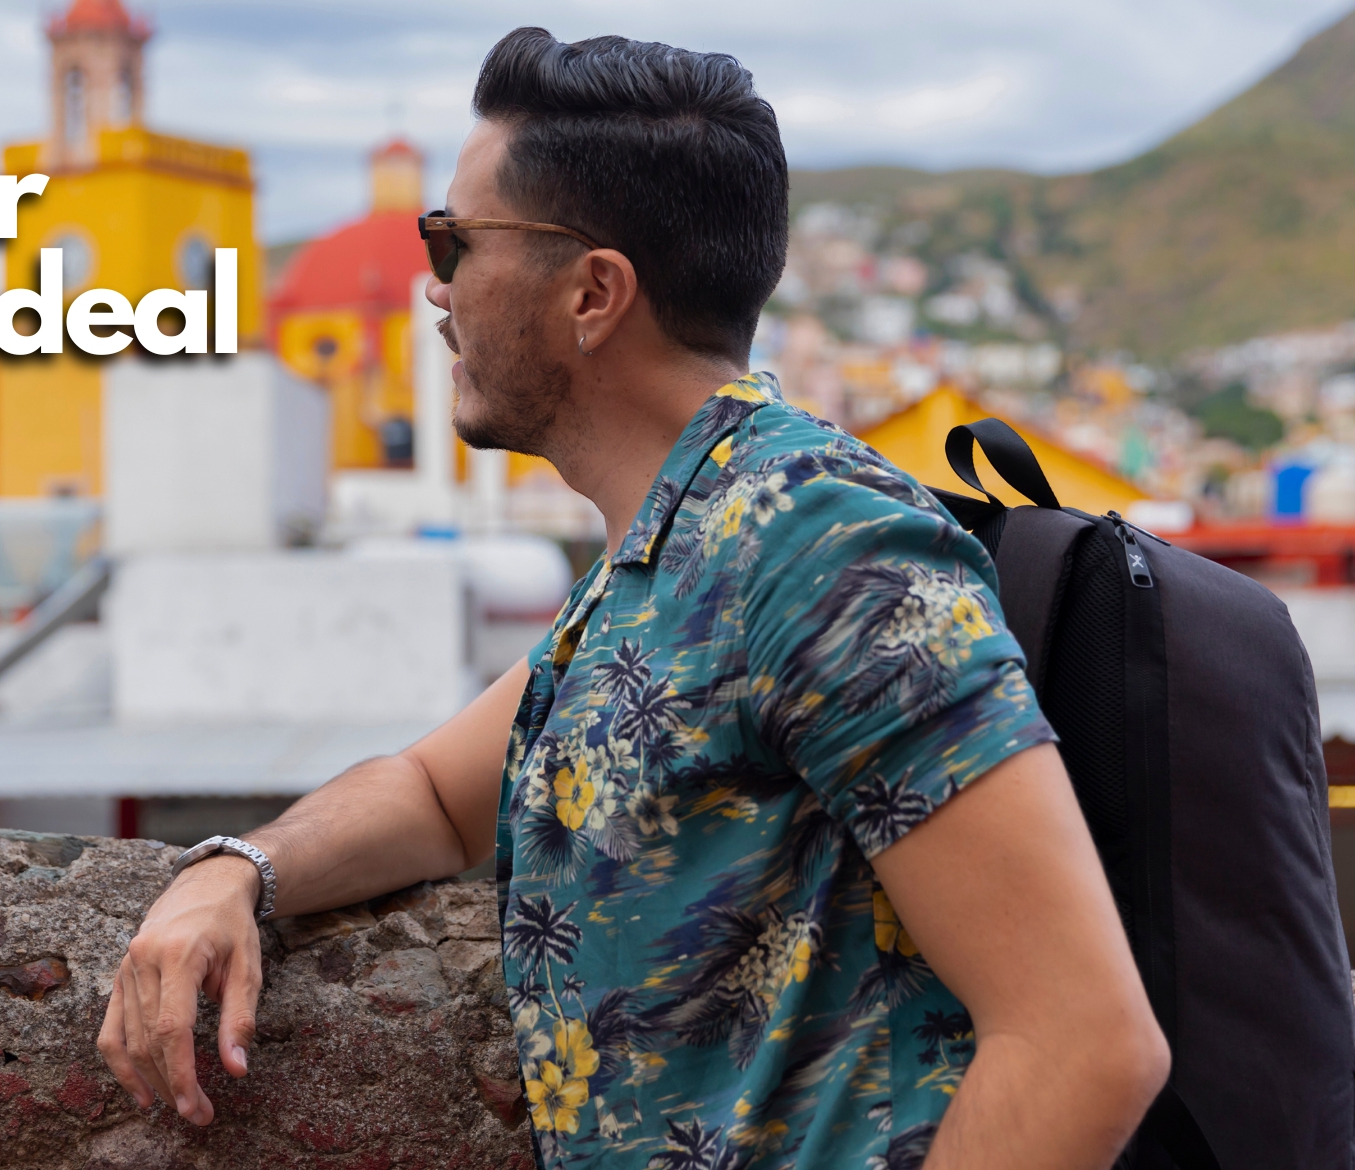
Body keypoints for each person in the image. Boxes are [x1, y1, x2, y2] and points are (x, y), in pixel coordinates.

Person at [98, 27, 1170, 1170]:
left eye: (455, 241)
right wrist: (233, 871)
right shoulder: (665, 551)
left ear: (593, 293)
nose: (435, 287)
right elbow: (430, 793)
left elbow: (1083, 1040)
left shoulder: (818, 541)